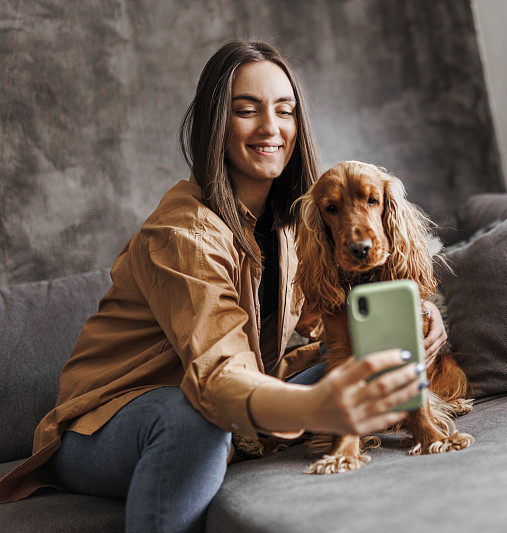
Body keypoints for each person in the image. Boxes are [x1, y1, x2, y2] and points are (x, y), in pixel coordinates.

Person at [0, 40, 447, 531]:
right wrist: (314, 405)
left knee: (371, 363)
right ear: (217, 122)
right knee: (195, 414)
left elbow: (325, 324)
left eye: (284, 110)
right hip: (110, 426)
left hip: (230, 409)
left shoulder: (295, 223)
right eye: (246, 110)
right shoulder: (182, 235)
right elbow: (216, 376)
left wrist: (415, 316)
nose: (270, 127)